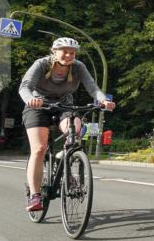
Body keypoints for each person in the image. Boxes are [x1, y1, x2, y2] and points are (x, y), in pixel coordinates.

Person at [18, 37, 115, 211]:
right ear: (54, 51)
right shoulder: (41, 64)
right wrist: (31, 99)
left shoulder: (78, 67)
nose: (69, 55)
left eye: (72, 53)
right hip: (38, 106)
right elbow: (24, 87)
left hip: (64, 106)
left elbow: (93, 88)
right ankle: (35, 196)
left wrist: (103, 100)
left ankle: (64, 163)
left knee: (75, 131)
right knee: (39, 149)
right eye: (65, 52)